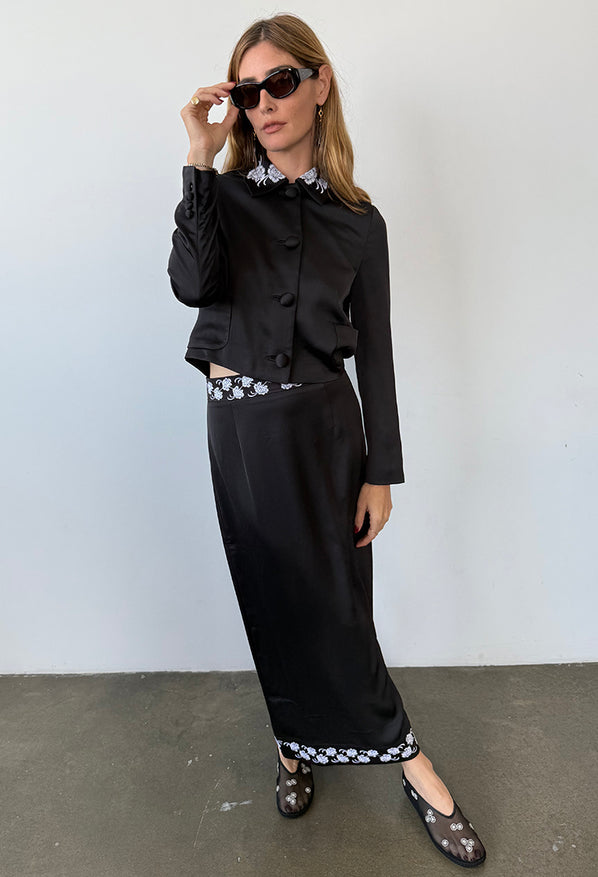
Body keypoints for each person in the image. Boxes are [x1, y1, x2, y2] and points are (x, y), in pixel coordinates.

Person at [167, 13, 486, 868]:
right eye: (246, 91)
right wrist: (200, 157)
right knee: (269, 596)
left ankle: (411, 764)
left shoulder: (359, 222)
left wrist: (382, 471)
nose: (262, 105)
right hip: (238, 430)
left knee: (341, 606)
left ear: (319, 82)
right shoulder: (222, 197)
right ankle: (292, 741)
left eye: (277, 84)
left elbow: (376, 353)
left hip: (324, 429)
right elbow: (190, 286)